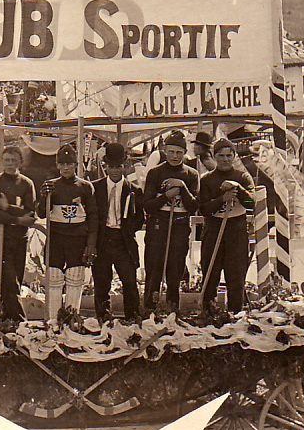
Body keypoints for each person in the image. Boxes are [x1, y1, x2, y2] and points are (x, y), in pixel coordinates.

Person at [37, 144, 97, 321]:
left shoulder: (85, 187)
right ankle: (54, 320)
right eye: (62, 164)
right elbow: (41, 213)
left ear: (76, 164)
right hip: (56, 237)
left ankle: (72, 318)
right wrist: (44, 197)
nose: (66, 168)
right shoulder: (51, 185)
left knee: (75, 277)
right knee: (54, 277)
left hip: (77, 238)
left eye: (69, 164)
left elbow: (93, 217)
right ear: (57, 165)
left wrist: (91, 244)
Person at [142, 130, 199, 313]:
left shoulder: (191, 174)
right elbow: (148, 206)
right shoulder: (155, 173)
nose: (175, 156)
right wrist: (166, 196)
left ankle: (173, 307)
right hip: (159, 223)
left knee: (175, 267)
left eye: (179, 152)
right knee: (154, 265)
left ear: (184, 153)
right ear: (164, 151)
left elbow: (194, 206)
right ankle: (150, 306)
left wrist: (182, 188)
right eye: (171, 151)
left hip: (180, 223)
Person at [197, 138, 255, 314]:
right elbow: (203, 208)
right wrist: (222, 199)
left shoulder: (242, 177)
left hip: (236, 230)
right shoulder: (206, 179)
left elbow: (251, 203)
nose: (225, 159)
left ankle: (235, 314)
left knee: (236, 275)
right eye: (221, 155)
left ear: (234, 156)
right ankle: (209, 312)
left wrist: (238, 188)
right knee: (210, 273)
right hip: (213, 229)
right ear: (214, 157)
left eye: (229, 155)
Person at [91, 143, 143, 322]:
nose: (114, 171)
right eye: (110, 167)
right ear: (105, 166)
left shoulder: (134, 190)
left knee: (129, 281)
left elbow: (139, 219)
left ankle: (132, 318)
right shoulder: (95, 188)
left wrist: (126, 229)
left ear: (125, 165)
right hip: (103, 240)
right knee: (101, 282)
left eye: (118, 167)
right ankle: (103, 319)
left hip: (123, 242)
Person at [0, 145, 36, 322]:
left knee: (16, 280)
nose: (10, 163)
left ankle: (7, 319)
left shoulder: (26, 183)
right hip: (0, 238)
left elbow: (31, 215)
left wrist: (8, 208)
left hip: (19, 238)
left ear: (20, 162)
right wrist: (17, 217)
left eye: (14, 160)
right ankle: (20, 321)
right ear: (1, 161)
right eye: (6, 160)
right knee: (8, 281)